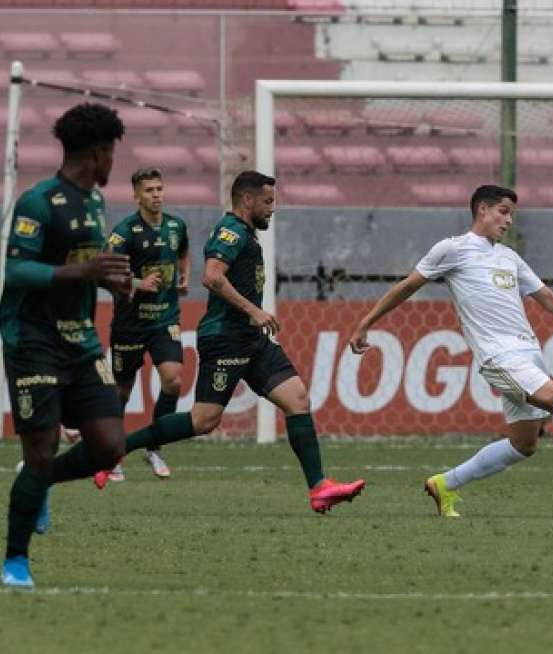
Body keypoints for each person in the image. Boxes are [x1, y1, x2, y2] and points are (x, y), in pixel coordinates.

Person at [348, 184, 553, 517]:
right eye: (504, 212)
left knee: (524, 445)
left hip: (529, 353)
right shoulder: (453, 249)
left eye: (512, 215)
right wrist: (365, 323)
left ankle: (444, 484)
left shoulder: (509, 257)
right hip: (498, 358)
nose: (508, 221)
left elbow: (546, 297)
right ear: (482, 210)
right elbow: (406, 287)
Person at [90, 171, 366, 513]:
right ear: (247, 200)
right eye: (267, 201)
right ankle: (117, 450)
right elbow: (211, 277)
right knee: (204, 420)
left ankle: (319, 488)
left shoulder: (244, 233)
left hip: (250, 338)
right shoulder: (230, 232)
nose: (272, 208)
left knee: (297, 399)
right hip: (225, 338)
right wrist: (255, 311)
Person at [2, 103, 130, 588]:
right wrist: (87, 272)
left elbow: (88, 265)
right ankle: (15, 562)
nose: (114, 162)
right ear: (98, 152)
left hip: (79, 340)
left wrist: (113, 283)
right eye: (112, 152)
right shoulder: (39, 202)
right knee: (42, 448)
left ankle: (38, 484)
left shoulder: (95, 204)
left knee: (109, 447)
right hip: (32, 342)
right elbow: (15, 271)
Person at [103, 167, 191, 481]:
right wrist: (139, 283)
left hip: (165, 318)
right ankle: (112, 454)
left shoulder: (176, 225)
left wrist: (184, 276)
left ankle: (154, 447)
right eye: (149, 191)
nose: (156, 195)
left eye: (159, 189)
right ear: (136, 196)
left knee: (174, 380)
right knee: (122, 392)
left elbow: (183, 252)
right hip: (130, 323)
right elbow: (105, 273)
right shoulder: (124, 232)